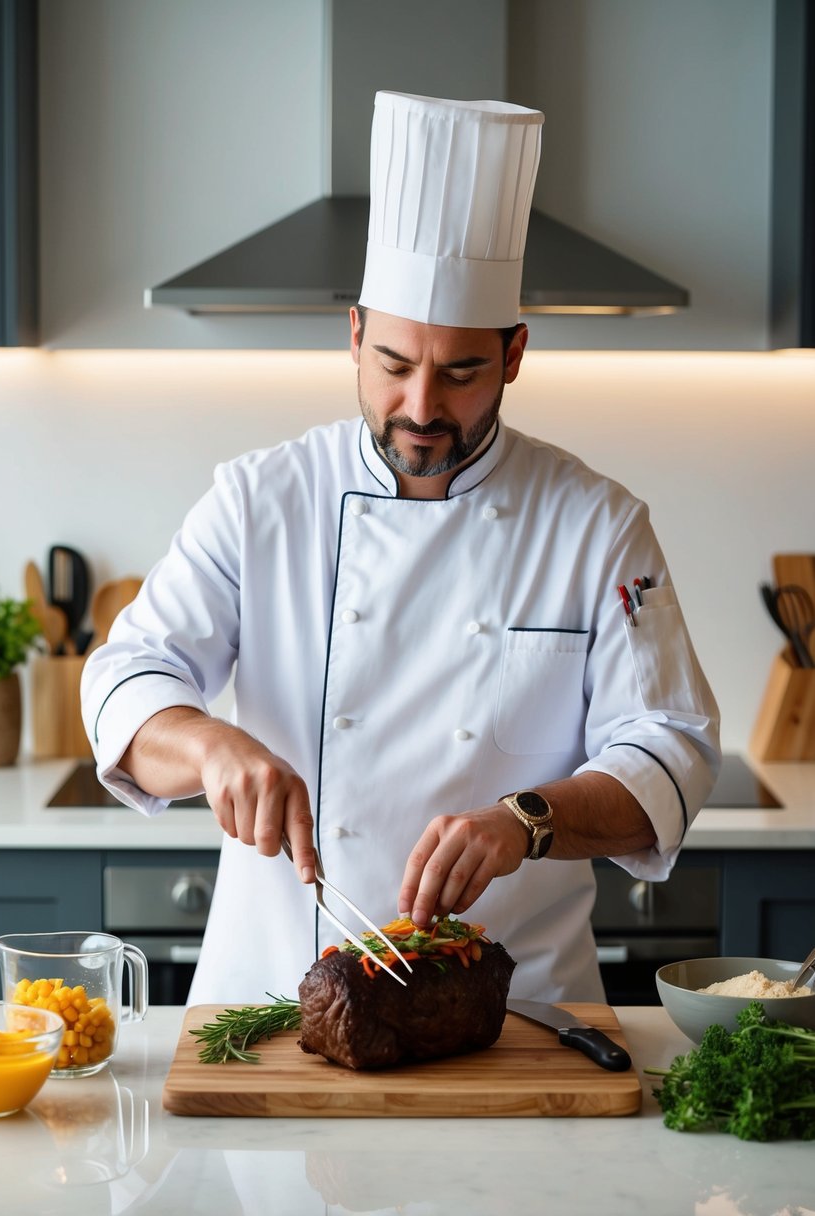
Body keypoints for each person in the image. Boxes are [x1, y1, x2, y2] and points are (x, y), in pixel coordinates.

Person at [81, 91, 720, 1005]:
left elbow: (672, 749)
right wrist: (214, 748)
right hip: (272, 1009)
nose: (421, 406)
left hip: (521, 1016)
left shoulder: (595, 523)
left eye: (460, 372)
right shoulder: (262, 499)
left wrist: (525, 821)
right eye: (391, 364)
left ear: (513, 354)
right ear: (352, 337)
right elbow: (122, 678)